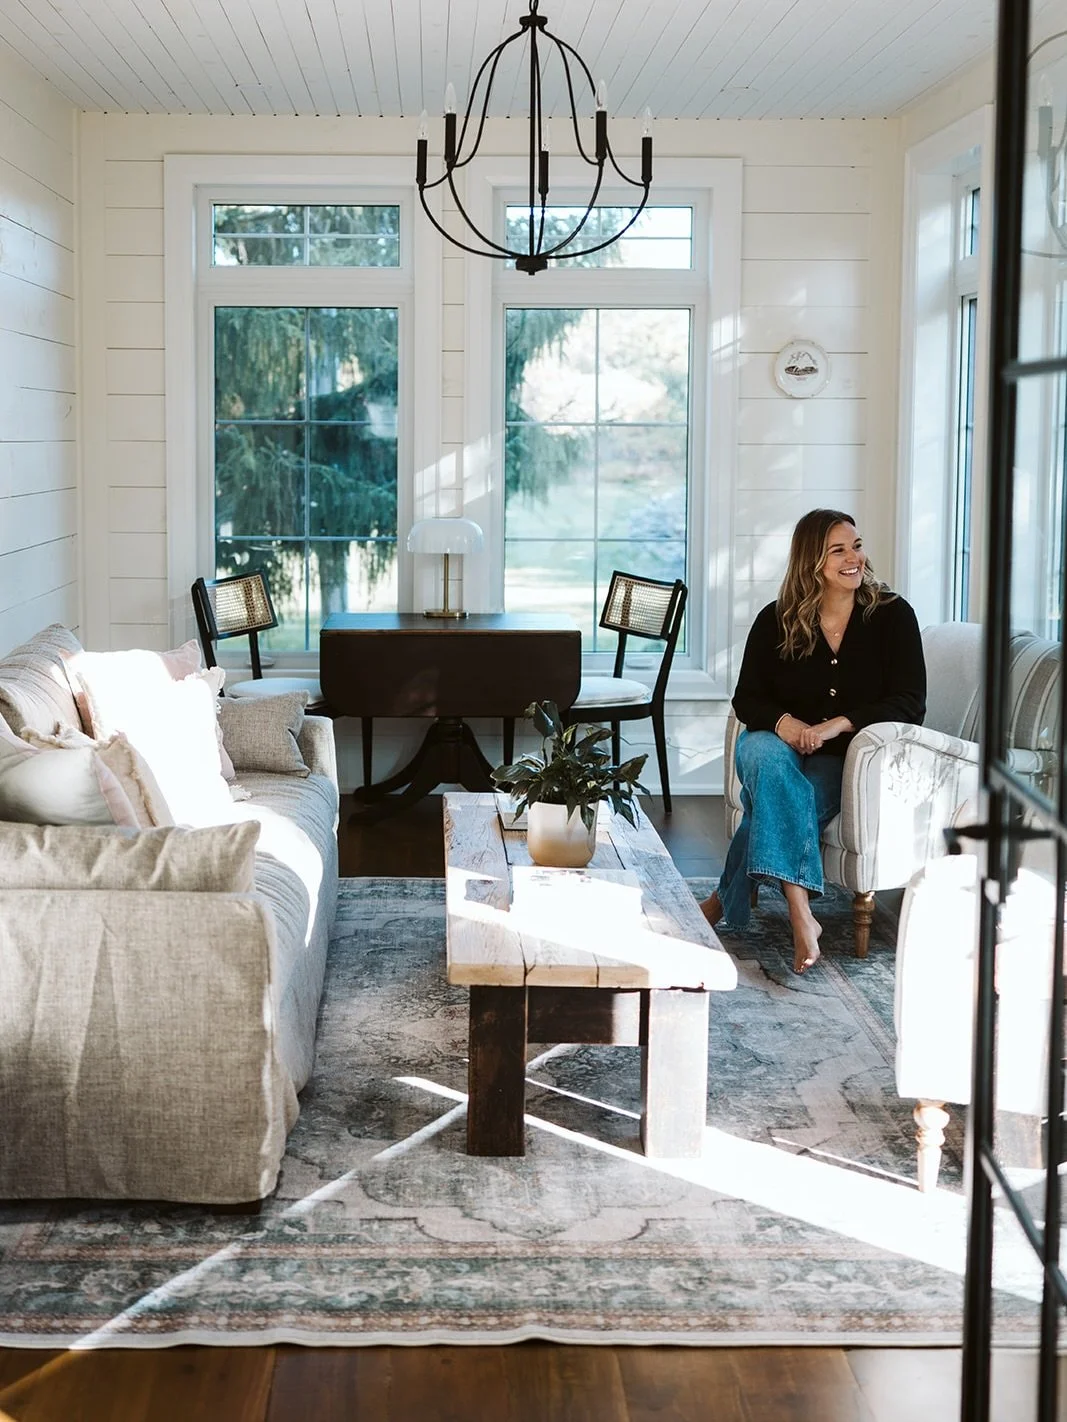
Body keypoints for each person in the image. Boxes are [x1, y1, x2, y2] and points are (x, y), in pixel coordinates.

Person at [700, 508, 926, 974]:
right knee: (767, 759)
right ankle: (802, 912)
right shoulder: (777, 618)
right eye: (838, 550)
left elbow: (909, 702)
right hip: (772, 743)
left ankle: (722, 902)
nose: (854, 559)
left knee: (777, 799)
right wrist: (783, 723)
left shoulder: (892, 616)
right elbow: (747, 697)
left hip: (840, 758)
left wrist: (839, 723)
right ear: (811, 562)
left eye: (857, 546)